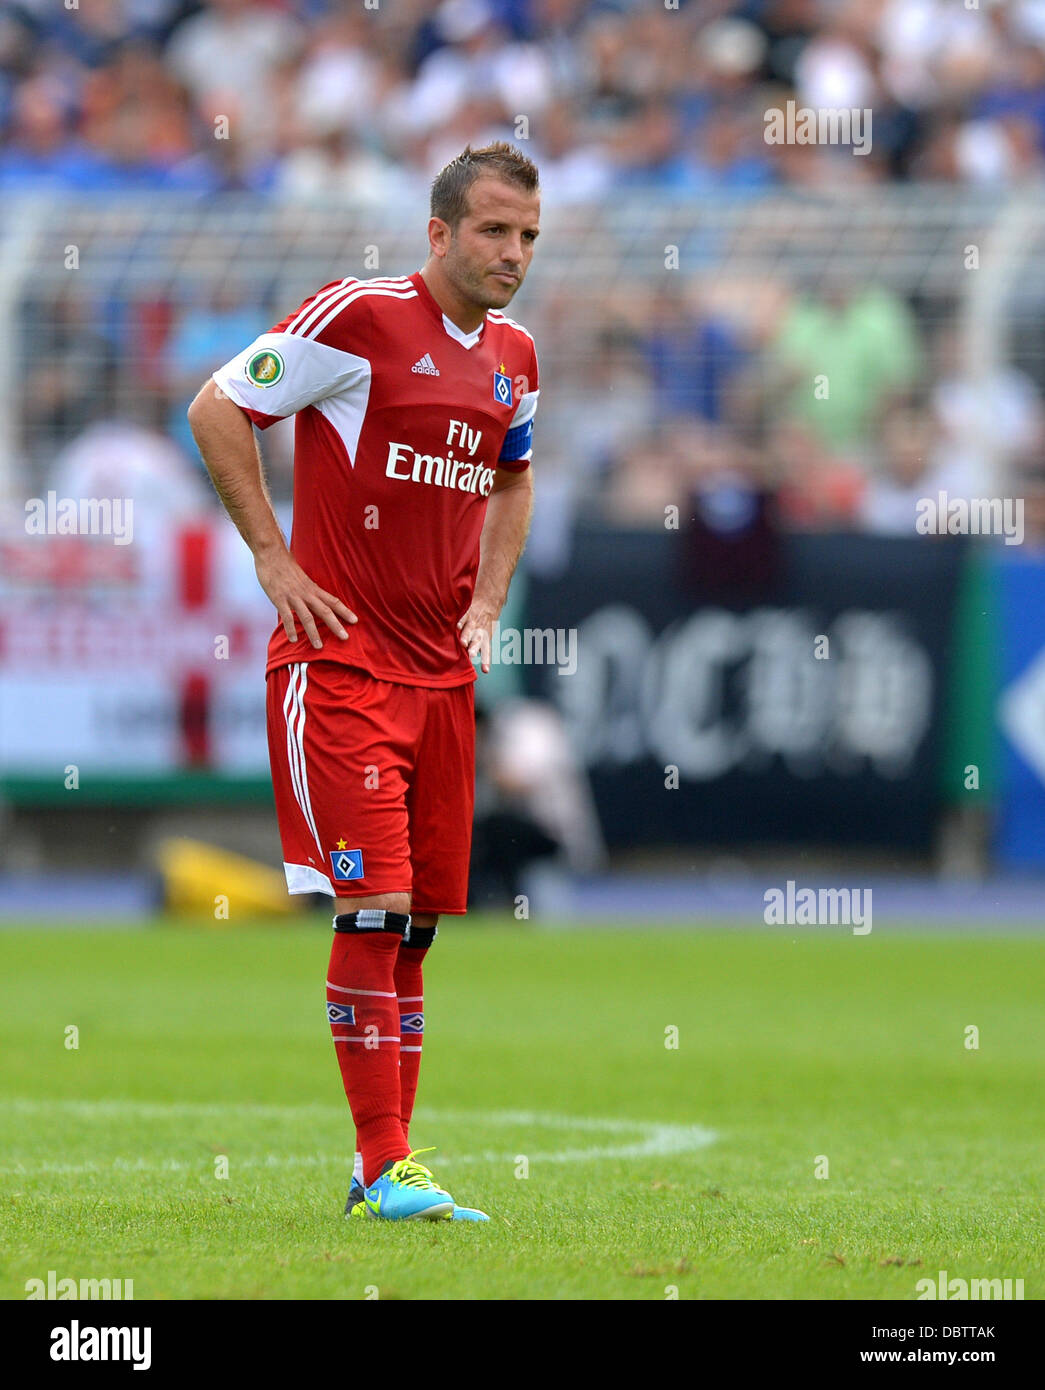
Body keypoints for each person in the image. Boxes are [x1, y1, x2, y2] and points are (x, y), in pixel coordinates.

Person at [187, 143, 541, 1222]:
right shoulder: (357, 317)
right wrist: (271, 556)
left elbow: (515, 476)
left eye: (527, 236)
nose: (512, 253)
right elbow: (216, 407)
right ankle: (386, 1163)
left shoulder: (516, 355)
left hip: (441, 680)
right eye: (492, 231)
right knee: (374, 904)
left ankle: (377, 1167)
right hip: (337, 664)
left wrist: (486, 601)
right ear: (438, 234)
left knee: (421, 920)